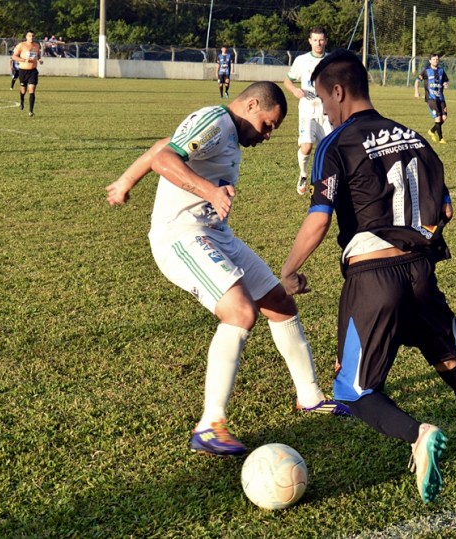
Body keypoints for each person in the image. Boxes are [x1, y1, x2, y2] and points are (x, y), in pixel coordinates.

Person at [281, 50, 456, 503]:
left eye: (324, 99)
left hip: (372, 278)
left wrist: (288, 269)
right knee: (450, 361)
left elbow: (320, 219)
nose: (324, 109)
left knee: (353, 389)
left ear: (339, 92)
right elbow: (445, 209)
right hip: (421, 270)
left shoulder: (336, 142)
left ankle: (418, 433)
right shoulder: (416, 137)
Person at [105, 81, 350, 457]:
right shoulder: (215, 121)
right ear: (251, 104)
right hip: (182, 237)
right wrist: (210, 191)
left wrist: (125, 181)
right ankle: (209, 425)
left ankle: (310, 397)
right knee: (240, 312)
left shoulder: (222, 129)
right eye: (268, 125)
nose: (268, 136)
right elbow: (165, 159)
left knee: (280, 304)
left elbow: (160, 146)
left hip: (217, 236)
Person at [284, 25, 332, 196]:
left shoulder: (332, 60)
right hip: (307, 109)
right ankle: (303, 174)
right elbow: (287, 81)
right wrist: (295, 90)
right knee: (306, 147)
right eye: (315, 40)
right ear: (310, 41)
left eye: (321, 40)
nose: (318, 43)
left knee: (329, 149)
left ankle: (325, 182)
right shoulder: (301, 60)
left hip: (327, 111)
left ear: (325, 41)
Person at [414, 53, 449, 144]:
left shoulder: (441, 71)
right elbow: (417, 81)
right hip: (431, 98)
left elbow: (445, 80)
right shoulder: (426, 71)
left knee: (444, 118)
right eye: (434, 59)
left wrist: (445, 84)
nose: (436, 61)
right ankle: (441, 138)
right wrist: (416, 92)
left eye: (437, 59)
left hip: (440, 98)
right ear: (430, 61)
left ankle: (432, 131)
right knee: (438, 118)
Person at [11, 31, 43, 117]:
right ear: (26, 36)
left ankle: (31, 111)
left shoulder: (36, 45)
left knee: (32, 90)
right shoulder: (21, 45)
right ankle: (22, 101)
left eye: (33, 36)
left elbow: (38, 55)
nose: (31, 37)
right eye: (29, 36)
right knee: (23, 90)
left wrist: (39, 59)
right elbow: (13, 56)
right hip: (23, 71)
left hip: (33, 71)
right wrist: (24, 60)